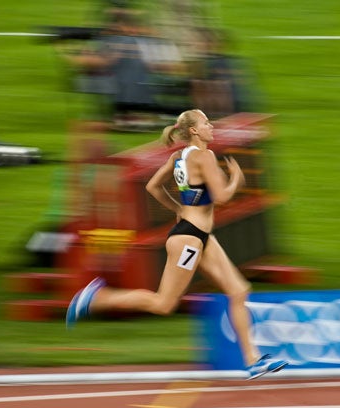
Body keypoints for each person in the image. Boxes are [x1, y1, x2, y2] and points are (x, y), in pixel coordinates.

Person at [66, 108, 287, 379]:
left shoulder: (179, 156)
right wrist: (236, 180)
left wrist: (178, 208)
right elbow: (221, 197)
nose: (211, 127)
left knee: (239, 290)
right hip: (190, 240)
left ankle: (253, 360)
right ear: (194, 130)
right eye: (207, 123)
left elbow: (153, 187)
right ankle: (100, 298)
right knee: (164, 304)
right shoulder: (204, 156)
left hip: (198, 235)